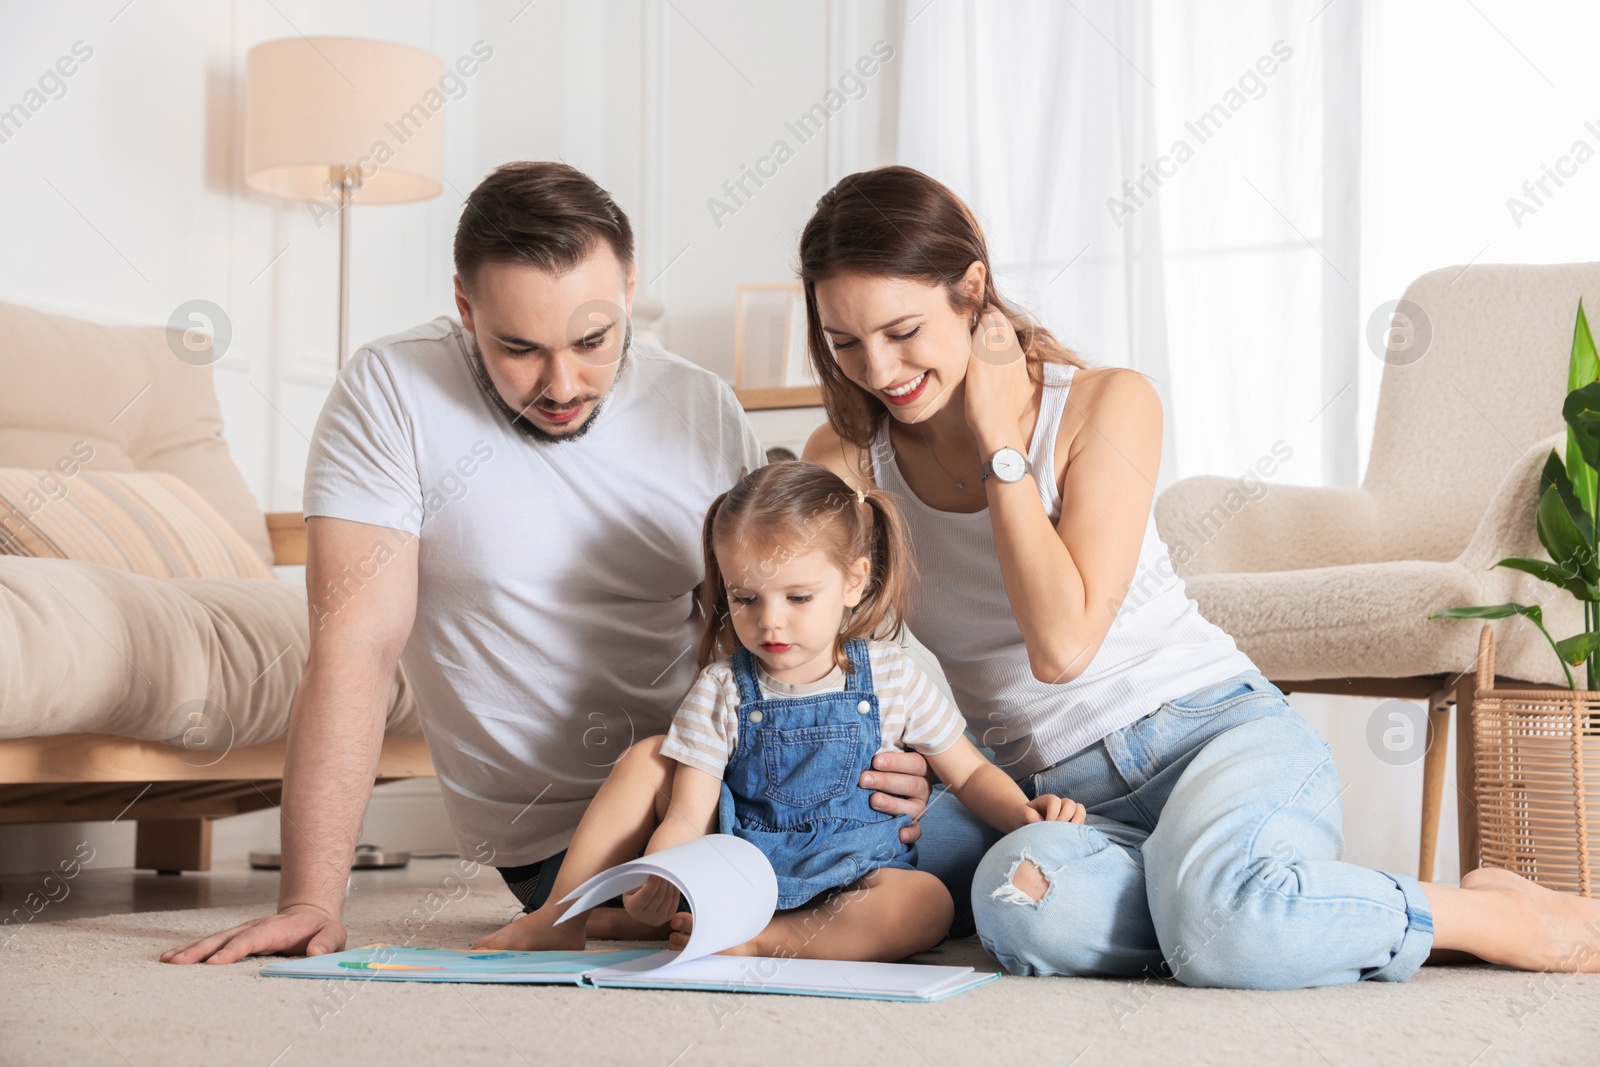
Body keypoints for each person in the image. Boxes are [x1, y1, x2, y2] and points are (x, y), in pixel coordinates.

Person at [798, 164, 1600, 988]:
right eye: (844, 342)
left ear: (974, 295)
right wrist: (916, 752)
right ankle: (1242, 902)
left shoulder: (1105, 405)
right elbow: (822, 649)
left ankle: (1487, 914)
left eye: (902, 331)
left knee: (1214, 931)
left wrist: (1002, 443)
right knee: (1020, 905)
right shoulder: (850, 460)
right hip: (1052, 800)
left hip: (1208, 735)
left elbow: (1062, 646)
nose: (878, 369)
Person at [161, 163, 932, 967]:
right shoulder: (392, 393)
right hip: (577, 840)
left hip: (747, 775)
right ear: (465, 309)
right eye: (518, 348)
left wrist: (873, 754)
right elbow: (357, 648)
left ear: (629, 289)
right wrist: (309, 900)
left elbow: (760, 627)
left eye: (593, 342)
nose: (562, 384)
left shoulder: (700, 404)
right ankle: (665, 913)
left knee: (970, 862)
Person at [472, 461, 1086, 960]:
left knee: (926, 905)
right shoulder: (723, 687)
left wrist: (1023, 816)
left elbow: (969, 772)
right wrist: (663, 873)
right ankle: (562, 914)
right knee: (646, 759)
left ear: (853, 583)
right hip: (740, 869)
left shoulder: (895, 676)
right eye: (745, 598)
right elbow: (688, 813)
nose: (769, 620)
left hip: (855, 874)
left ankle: (767, 943)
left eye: (797, 596)